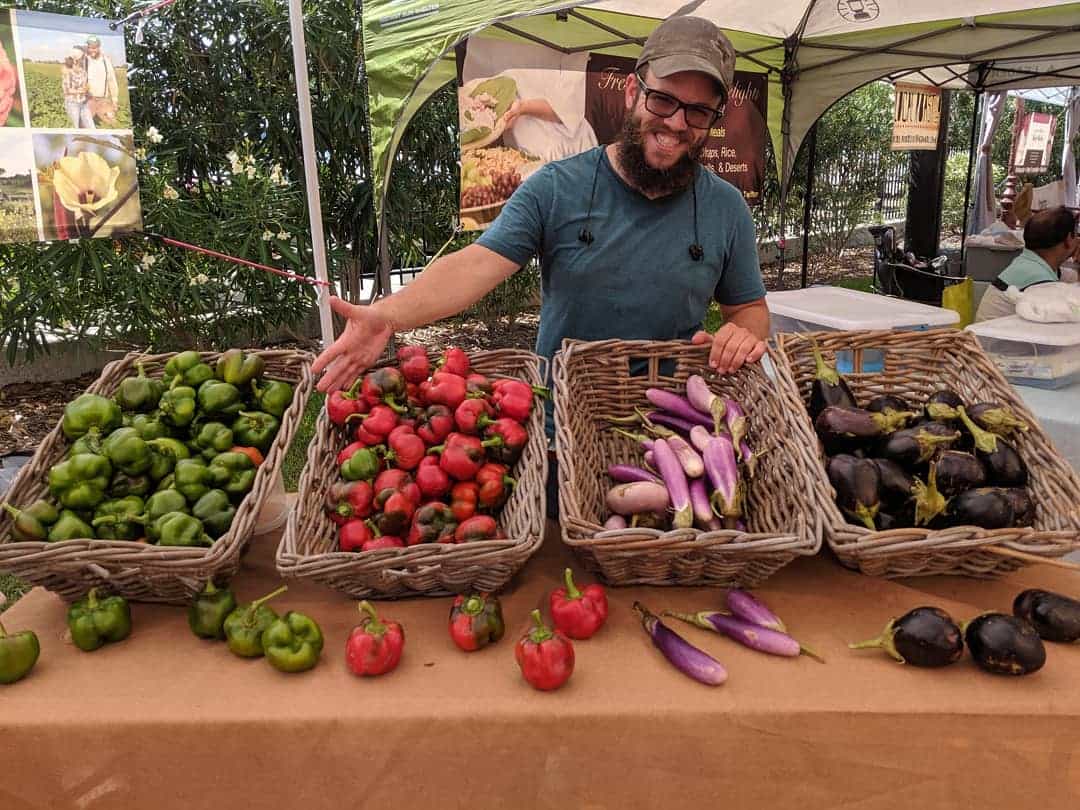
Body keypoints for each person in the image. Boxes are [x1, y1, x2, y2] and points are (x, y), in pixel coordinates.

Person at [975, 206, 1080, 322]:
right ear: (1069, 239)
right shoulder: (1037, 279)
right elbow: (1072, 314)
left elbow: (1073, 278)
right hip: (994, 339)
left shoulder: (1033, 264)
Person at [83, 35, 119, 126]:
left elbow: (111, 80)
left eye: (94, 48)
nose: (92, 50)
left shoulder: (106, 61)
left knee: (112, 123)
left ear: (99, 47)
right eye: (90, 47)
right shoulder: (84, 60)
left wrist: (114, 99)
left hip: (103, 100)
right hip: (89, 100)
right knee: (84, 126)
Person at [61, 47, 93, 129]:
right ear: (76, 59)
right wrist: (81, 91)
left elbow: (85, 85)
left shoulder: (83, 71)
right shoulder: (67, 71)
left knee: (91, 127)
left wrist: (87, 89)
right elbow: (67, 90)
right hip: (72, 104)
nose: (84, 59)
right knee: (75, 127)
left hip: (83, 103)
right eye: (83, 57)